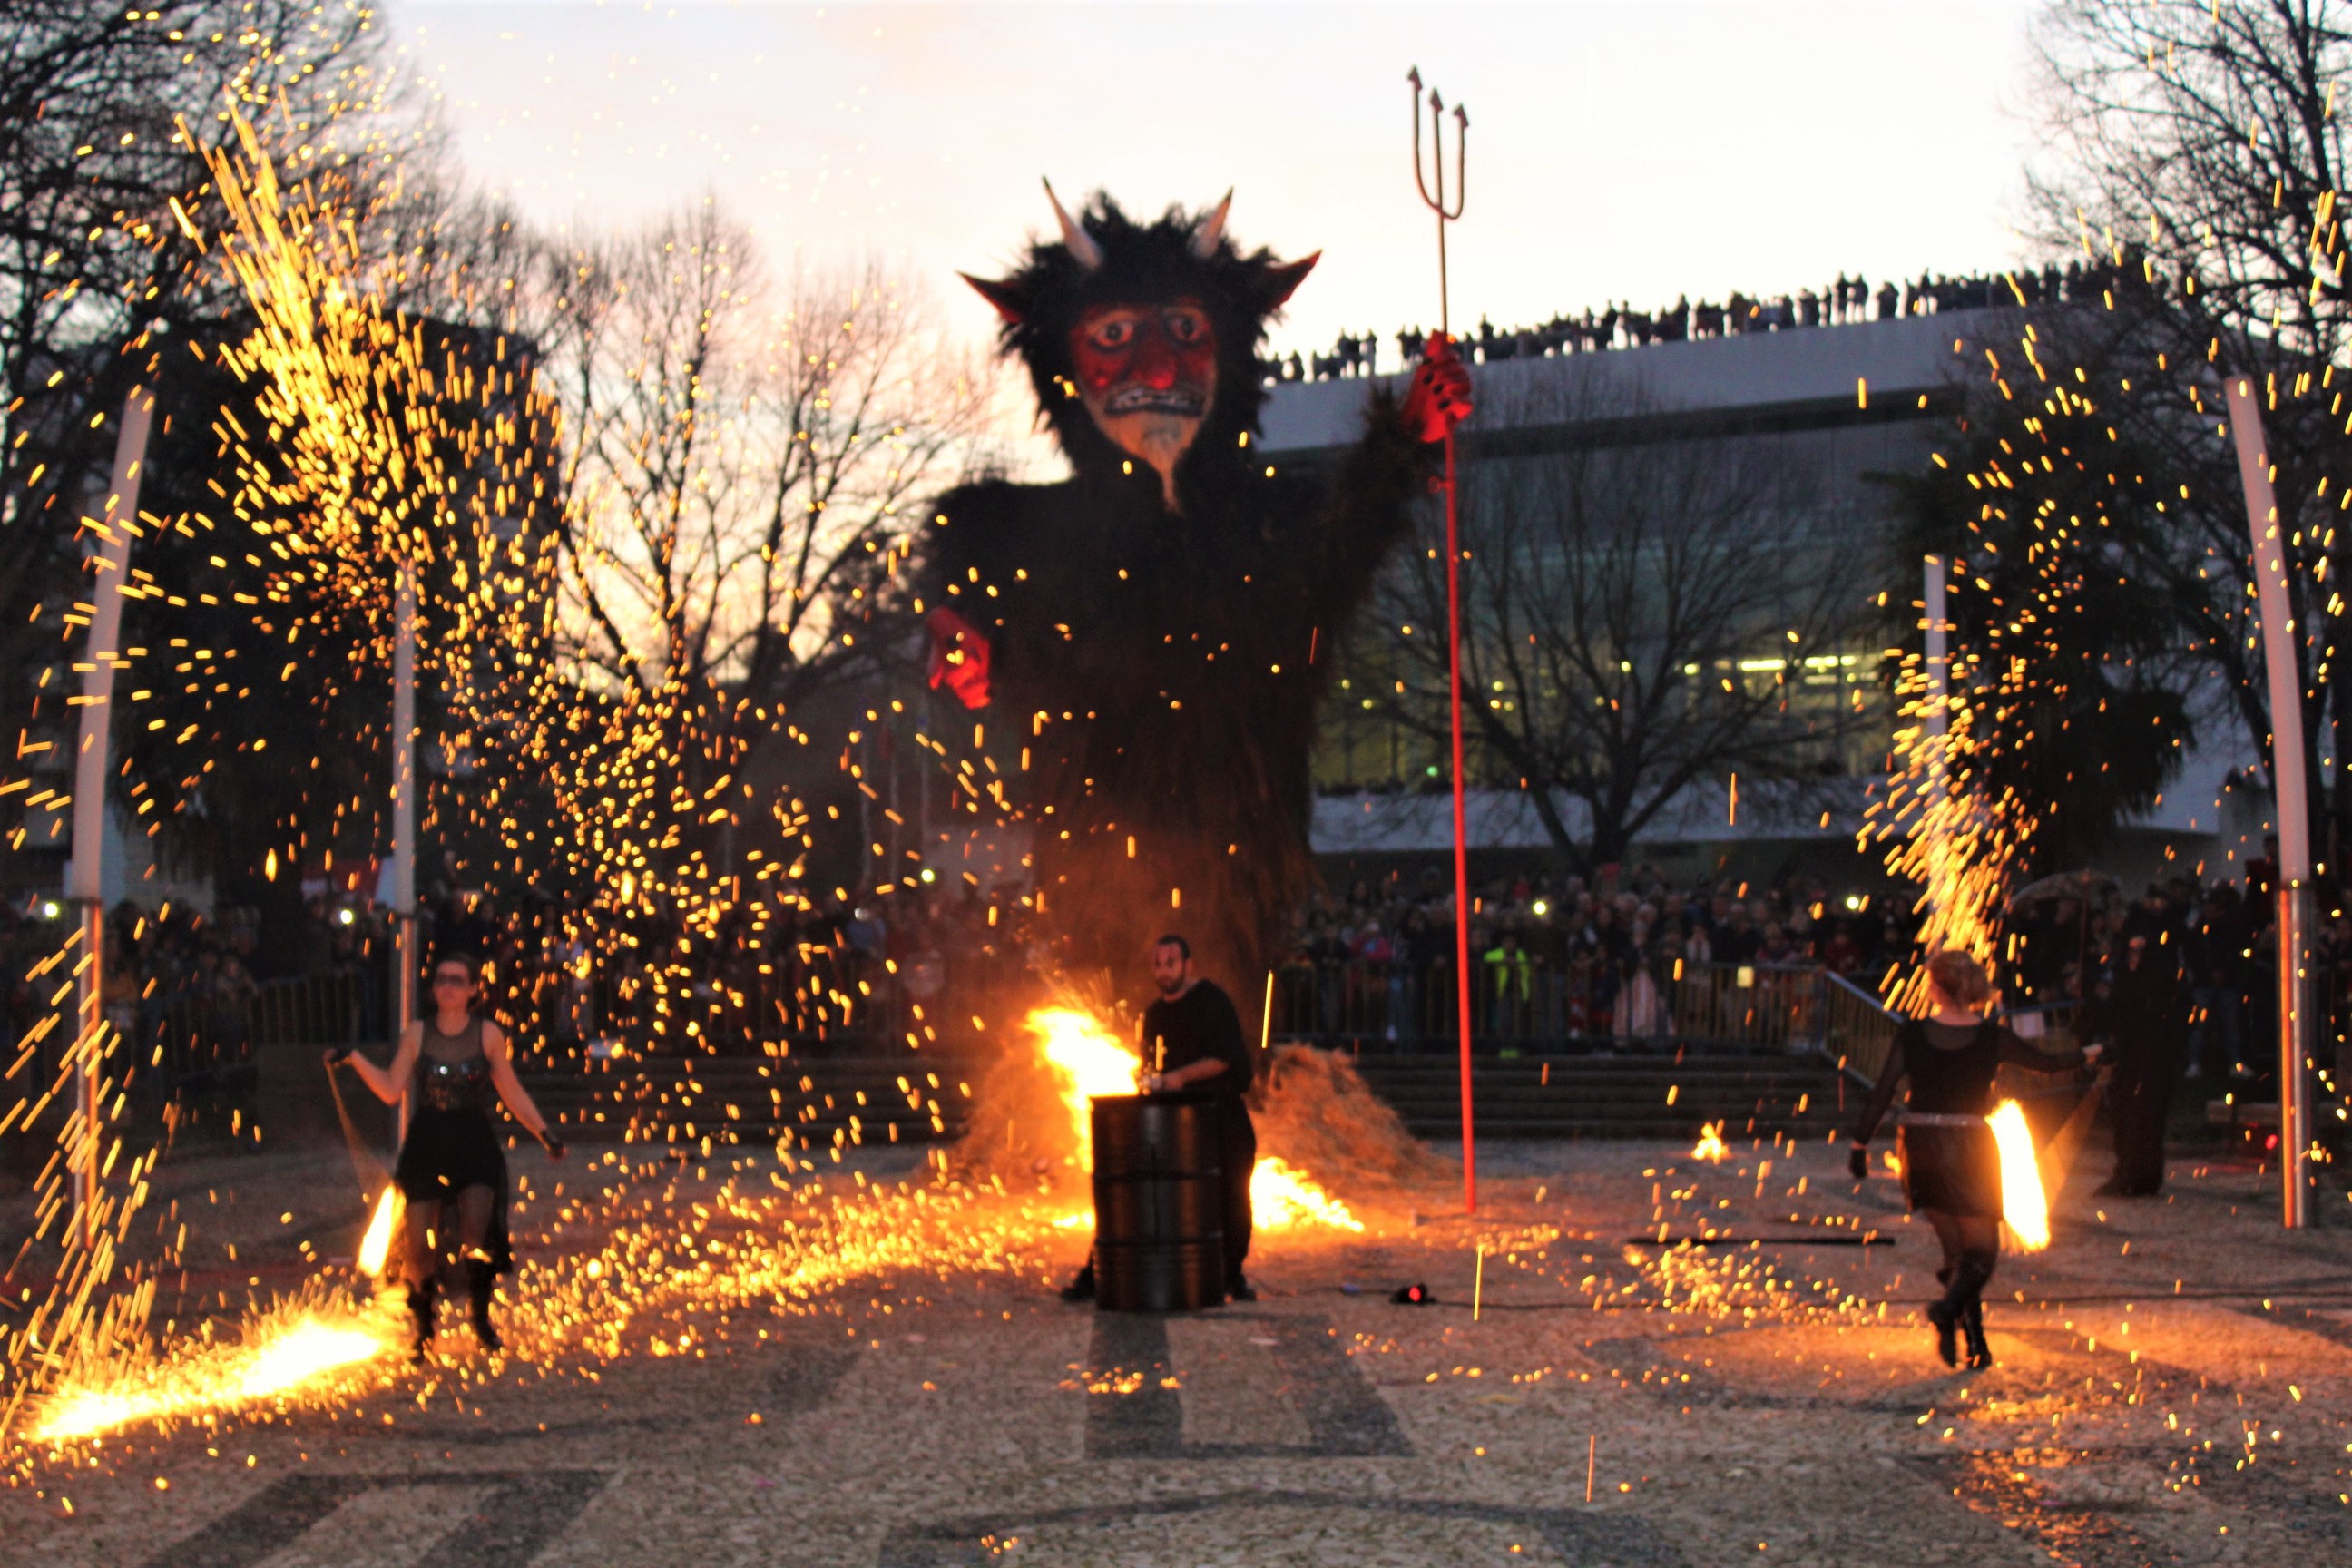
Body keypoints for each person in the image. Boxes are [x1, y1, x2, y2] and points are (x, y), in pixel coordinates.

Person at [1847, 950, 2098, 1370]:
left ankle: (1973, 1338)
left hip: (1922, 1143)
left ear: (1937, 988)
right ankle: (1948, 1314)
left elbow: (1883, 1089)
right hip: (1969, 1144)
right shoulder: (1990, 1036)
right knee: (1981, 1252)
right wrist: (2092, 1052)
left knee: (1957, 1254)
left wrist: (1859, 1144)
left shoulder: (1913, 1033)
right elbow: (2048, 1065)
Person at [329, 951, 564, 1360]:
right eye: (441, 980)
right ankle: (423, 1330)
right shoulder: (417, 1034)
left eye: (457, 980)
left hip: (473, 1141)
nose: (448, 987)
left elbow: (510, 1090)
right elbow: (390, 1088)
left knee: (476, 1234)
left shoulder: (488, 1034)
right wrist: (355, 1057)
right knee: (419, 1244)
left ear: (474, 989)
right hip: (428, 1141)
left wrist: (544, 1133)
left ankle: (480, 1319)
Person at [1062, 934, 1258, 1304]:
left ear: (1188, 964)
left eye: (1171, 962)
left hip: (1221, 1116)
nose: (1163, 970)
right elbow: (1153, 1065)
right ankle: (1100, 1272)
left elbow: (1226, 1058)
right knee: (1144, 1194)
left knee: (1231, 1200)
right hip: (1174, 1124)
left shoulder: (1212, 1001)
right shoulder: (1153, 1015)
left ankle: (1231, 1273)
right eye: (1157, 963)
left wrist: (1180, 1077)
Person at [2088, 931, 2189, 1195]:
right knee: (2126, 1120)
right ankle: (2128, 1172)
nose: (2134, 958)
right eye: (2131, 952)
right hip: (2129, 1064)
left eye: (2140, 953)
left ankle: (2144, 1176)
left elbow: (2168, 1024)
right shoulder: (2124, 982)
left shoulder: (2162, 986)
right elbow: (2112, 1019)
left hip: (2154, 1064)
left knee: (2148, 1122)